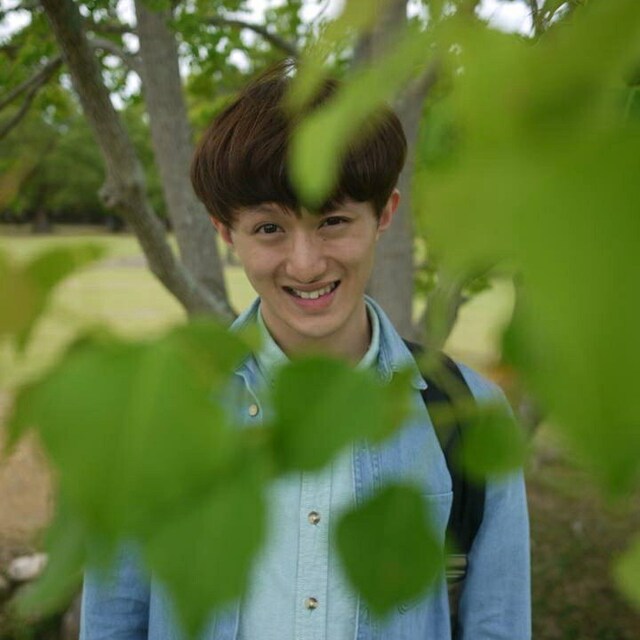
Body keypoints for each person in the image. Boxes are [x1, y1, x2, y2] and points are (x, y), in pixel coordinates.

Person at [80, 60, 530, 640]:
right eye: (269, 229)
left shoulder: (471, 413)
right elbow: (113, 620)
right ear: (226, 232)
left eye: (333, 221)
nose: (306, 264)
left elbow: (498, 626)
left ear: (384, 215)